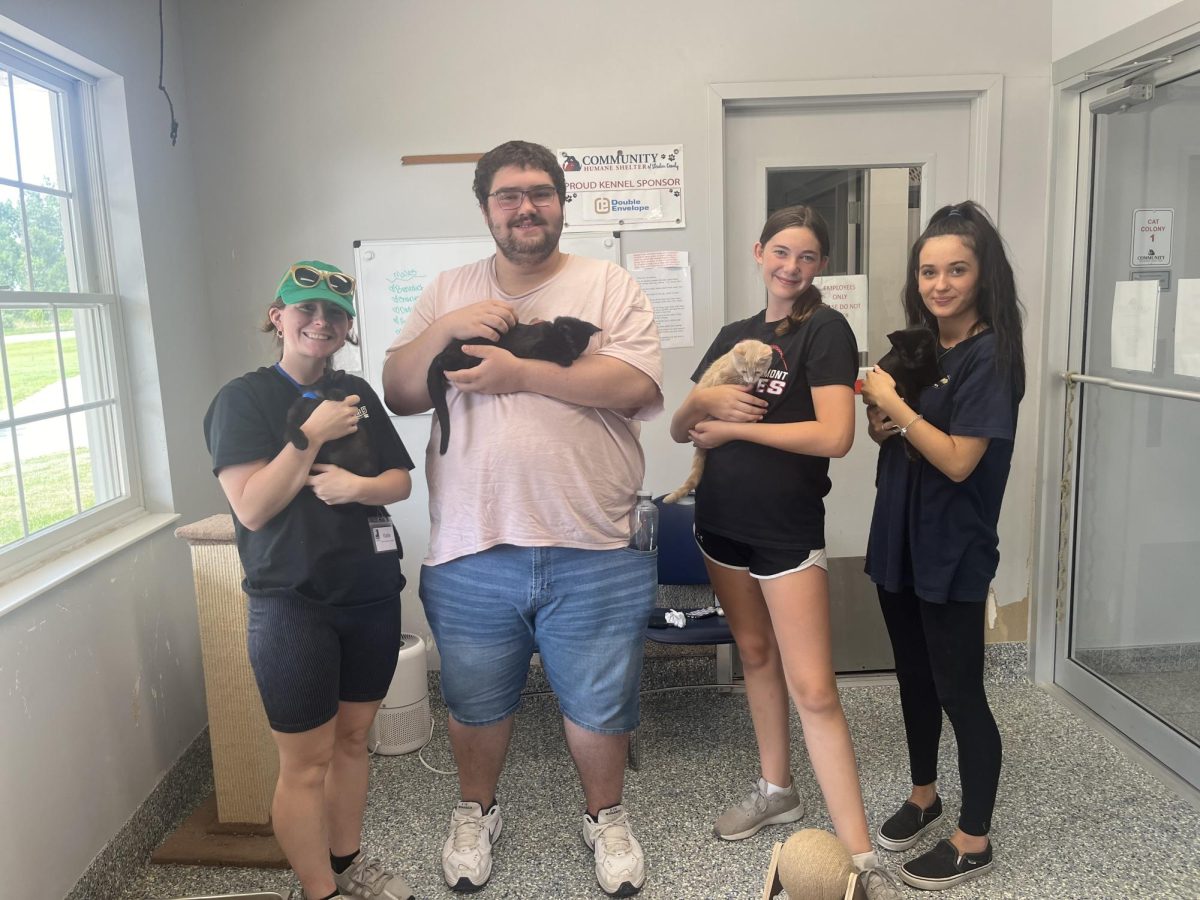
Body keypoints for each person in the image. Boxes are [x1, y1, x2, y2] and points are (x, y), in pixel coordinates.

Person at [381, 140, 663, 897]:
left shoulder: (610, 284)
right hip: (473, 543)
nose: (526, 206)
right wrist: (445, 329)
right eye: (509, 195)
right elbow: (399, 390)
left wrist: (518, 374)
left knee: (601, 705)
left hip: (594, 541)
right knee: (475, 702)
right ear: (486, 209)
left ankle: (606, 817)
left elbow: (633, 383)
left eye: (541, 192)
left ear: (562, 205)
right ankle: (474, 811)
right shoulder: (447, 289)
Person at [669, 206, 903, 900]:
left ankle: (860, 860)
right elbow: (686, 425)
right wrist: (703, 413)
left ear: (819, 266)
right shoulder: (735, 335)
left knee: (816, 690)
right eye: (780, 252)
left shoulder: (826, 330)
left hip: (784, 529)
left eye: (805, 256)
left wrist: (735, 430)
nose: (790, 266)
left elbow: (835, 436)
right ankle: (777, 789)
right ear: (759, 252)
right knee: (756, 657)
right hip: (719, 524)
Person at [204, 260, 416, 900]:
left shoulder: (356, 391)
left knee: (353, 742)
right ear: (279, 317)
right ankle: (318, 890)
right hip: (292, 605)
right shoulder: (242, 399)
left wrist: (357, 486)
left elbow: (399, 482)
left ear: (347, 327)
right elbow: (252, 507)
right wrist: (309, 436)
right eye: (306, 309)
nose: (320, 322)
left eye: (335, 314)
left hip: (371, 595)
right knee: (305, 763)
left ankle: (348, 865)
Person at [861, 201, 1025, 891]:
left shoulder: (990, 356)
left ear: (982, 274)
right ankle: (925, 794)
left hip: (952, 548)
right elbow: (892, 436)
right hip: (900, 537)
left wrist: (895, 407)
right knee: (913, 678)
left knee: (961, 692)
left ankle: (974, 838)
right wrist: (883, 419)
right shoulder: (930, 346)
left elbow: (959, 461)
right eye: (929, 271)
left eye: (956, 269)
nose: (940, 283)